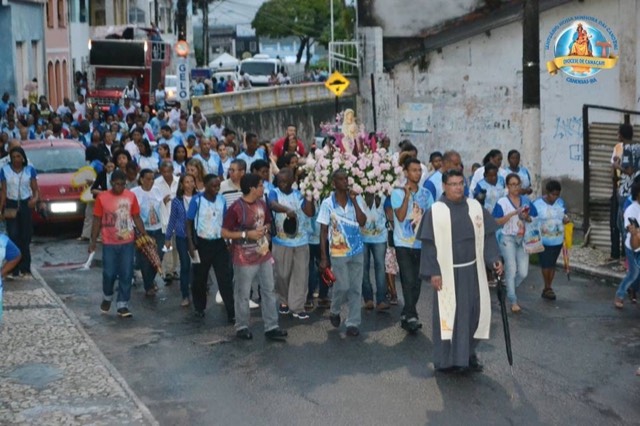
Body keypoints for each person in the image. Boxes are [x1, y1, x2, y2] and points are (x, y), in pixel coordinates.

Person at [418, 169, 503, 372]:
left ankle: (467, 355)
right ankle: (447, 361)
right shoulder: (435, 211)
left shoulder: (475, 208)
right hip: (448, 274)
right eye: (453, 184)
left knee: (475, 314)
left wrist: (494, 260)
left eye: (460, 183)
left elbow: (488, 236)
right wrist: (434, 272)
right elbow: (429, 245)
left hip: (473, 272)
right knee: (450, 318)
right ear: (445, 187)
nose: (458, 187)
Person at [222, 174, 288, 341]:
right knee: (243, 293)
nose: (263, 188)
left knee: (269, 291)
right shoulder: (236, 208)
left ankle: (271, 326)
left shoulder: (262, 204)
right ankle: (242, 326)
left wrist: (264, 230)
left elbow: (266, 222)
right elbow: (224, 232)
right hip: (243, 258)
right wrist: (246, 234)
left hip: (263, 255)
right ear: (251, 188)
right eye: (260, 185)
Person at [90, 169, 146, 318]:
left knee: (126, 273)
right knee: (109, 273)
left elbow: (136, 217)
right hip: (109, 242)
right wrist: (92, 241)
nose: (119, 187)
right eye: (116, 184)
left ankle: (123, 304)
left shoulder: (131, 196)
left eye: (122, 184)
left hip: (127, 241)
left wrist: (145, 235)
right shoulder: (102, 198)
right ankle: (107, 296)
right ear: (111, 183)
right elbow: (96, 220)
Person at [317, 169, 367, 337]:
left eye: (346, 178)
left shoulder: (355, 199)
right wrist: (324, 257)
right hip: (338, 252)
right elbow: (323, 231)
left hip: (357, 250)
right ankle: (335, 309)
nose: (345, 182)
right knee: (343, 285)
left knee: (355, 288)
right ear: (334, 183)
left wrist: (355, 201)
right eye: (341, 179)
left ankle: (353, 322)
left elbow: (362, 221)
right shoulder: (327, 203)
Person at [391, 158, 434, 333]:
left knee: (416, 282)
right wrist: (407, 196)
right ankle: (412, 315)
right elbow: (400, 217)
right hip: (403, 243)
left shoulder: (426, 194)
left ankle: (406, 313)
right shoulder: (397, 193)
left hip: (420, 243)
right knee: (408, 279)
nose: (417, 173)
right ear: (406, 172)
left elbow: (431, 217)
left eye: (419, 170)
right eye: (413, 170)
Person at [186, 174, 235, 320]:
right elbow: (188, 222)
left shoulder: (221, 199)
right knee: (199, 279)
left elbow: (225, 221)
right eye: (213, 186)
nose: (216, 188)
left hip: (219, 243)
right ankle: (199, 307)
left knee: (224, 278)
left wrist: (228, 241)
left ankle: (231, 311)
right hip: (202, 243)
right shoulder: (197, 200)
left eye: (218, 186)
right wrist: (190, 242)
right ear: (206, 186)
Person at [269, 168, 315, 319]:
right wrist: (286, 209)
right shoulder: (274, 192)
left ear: (292, 182)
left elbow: (309, 212)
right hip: (281, 242)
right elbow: (272, 204)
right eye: (280, 181)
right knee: (282, 274)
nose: (282, 184)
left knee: (301, 275)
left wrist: (309, 196)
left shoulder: (299, 194)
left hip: (301, 241)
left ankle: (297, 306)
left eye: (285, 182)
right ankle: (283, 300)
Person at [492, 173, 537, 313]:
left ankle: (508, 288)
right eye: (512, 184)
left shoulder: (526, 201)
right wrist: (512, 214)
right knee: (511, 269)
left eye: (517, 184)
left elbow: (535, 219)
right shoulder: (502, 202)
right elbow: (496, 222)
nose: (515, 187)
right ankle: (513, 300)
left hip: (523, 239)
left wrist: (526, 217)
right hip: (507, 238)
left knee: (523, 272)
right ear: (507, 186)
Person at [0, 147, 40, 279]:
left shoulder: (30, 170)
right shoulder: (4, 170)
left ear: (23, 157)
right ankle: (14, 269)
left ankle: (26, 268)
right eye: (14, 157)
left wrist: (34, 199)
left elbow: (35, 189)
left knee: (26, 236)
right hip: (11, 205)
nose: (16, 159)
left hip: (25, 204)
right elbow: (4, 191)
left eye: (18, 156)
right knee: (13, 235)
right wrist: (1, 209)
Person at [533, 180, 571, 301]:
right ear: (547, 192)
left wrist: (566, 219)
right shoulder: (537, 204)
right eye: (552, 194)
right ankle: (547, 286)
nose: (554, 197)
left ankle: (549, 286)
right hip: (543, 240)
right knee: (545, 264)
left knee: (552, 264)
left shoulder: (560, 203)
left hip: (558, 239)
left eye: (557, 195)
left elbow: (565, 215)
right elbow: (532, 219)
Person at [131, 169, 165, 296]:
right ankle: (148, 285)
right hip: (142, 230)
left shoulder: (157, 191)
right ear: (141, 179)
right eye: (148, 179)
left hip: (159, 228)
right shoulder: (134, 193)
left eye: (152, 179)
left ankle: (150, 280)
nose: (151, 181)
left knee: (159, 255)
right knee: (146, 258)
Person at [360, 192, 389, 311]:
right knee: (363, 267)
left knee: (380, 267)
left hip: (380, 237)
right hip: (361, 236)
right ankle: (368, 298)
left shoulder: (383, 191)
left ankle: (381, 299)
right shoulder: (358, 193)